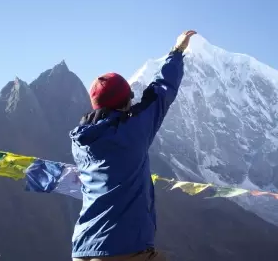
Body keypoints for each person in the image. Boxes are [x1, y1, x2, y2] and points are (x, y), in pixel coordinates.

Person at [70, 30, 197, 261]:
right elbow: (161, 92)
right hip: (124, 249)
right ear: (126, 101)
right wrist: (177, 52)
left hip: (83, 248)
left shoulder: (80, 142)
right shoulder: (132, 131)